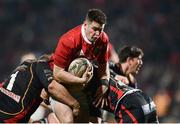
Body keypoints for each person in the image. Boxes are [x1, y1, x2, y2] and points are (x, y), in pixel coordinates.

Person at [48, 8, 110, 122]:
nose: (97, 34)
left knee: (92, 121)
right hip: (60, 86)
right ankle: (51, 119)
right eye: (94, 29)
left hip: (81, 87)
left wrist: (104, 83)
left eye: (100, 30)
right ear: (85, 25)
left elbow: (103, 65)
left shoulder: (103, 39)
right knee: (68, 121)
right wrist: (81, 81)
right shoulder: (69, 40)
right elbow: (57, 74)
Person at [88, 46, 158, 123]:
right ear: (129, 60)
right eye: (139, 59)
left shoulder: (132, 82)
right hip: (95, 104)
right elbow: (96, 67)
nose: (141, 63)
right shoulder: (111, 66)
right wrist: (114, 75)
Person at [0, 57, 80, 122]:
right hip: (9, 117)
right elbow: (52, 87)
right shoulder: (41, 64)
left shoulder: (25, 65)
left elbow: (43, 94)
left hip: (5, 111)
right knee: (56, 119)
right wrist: (75, 104)